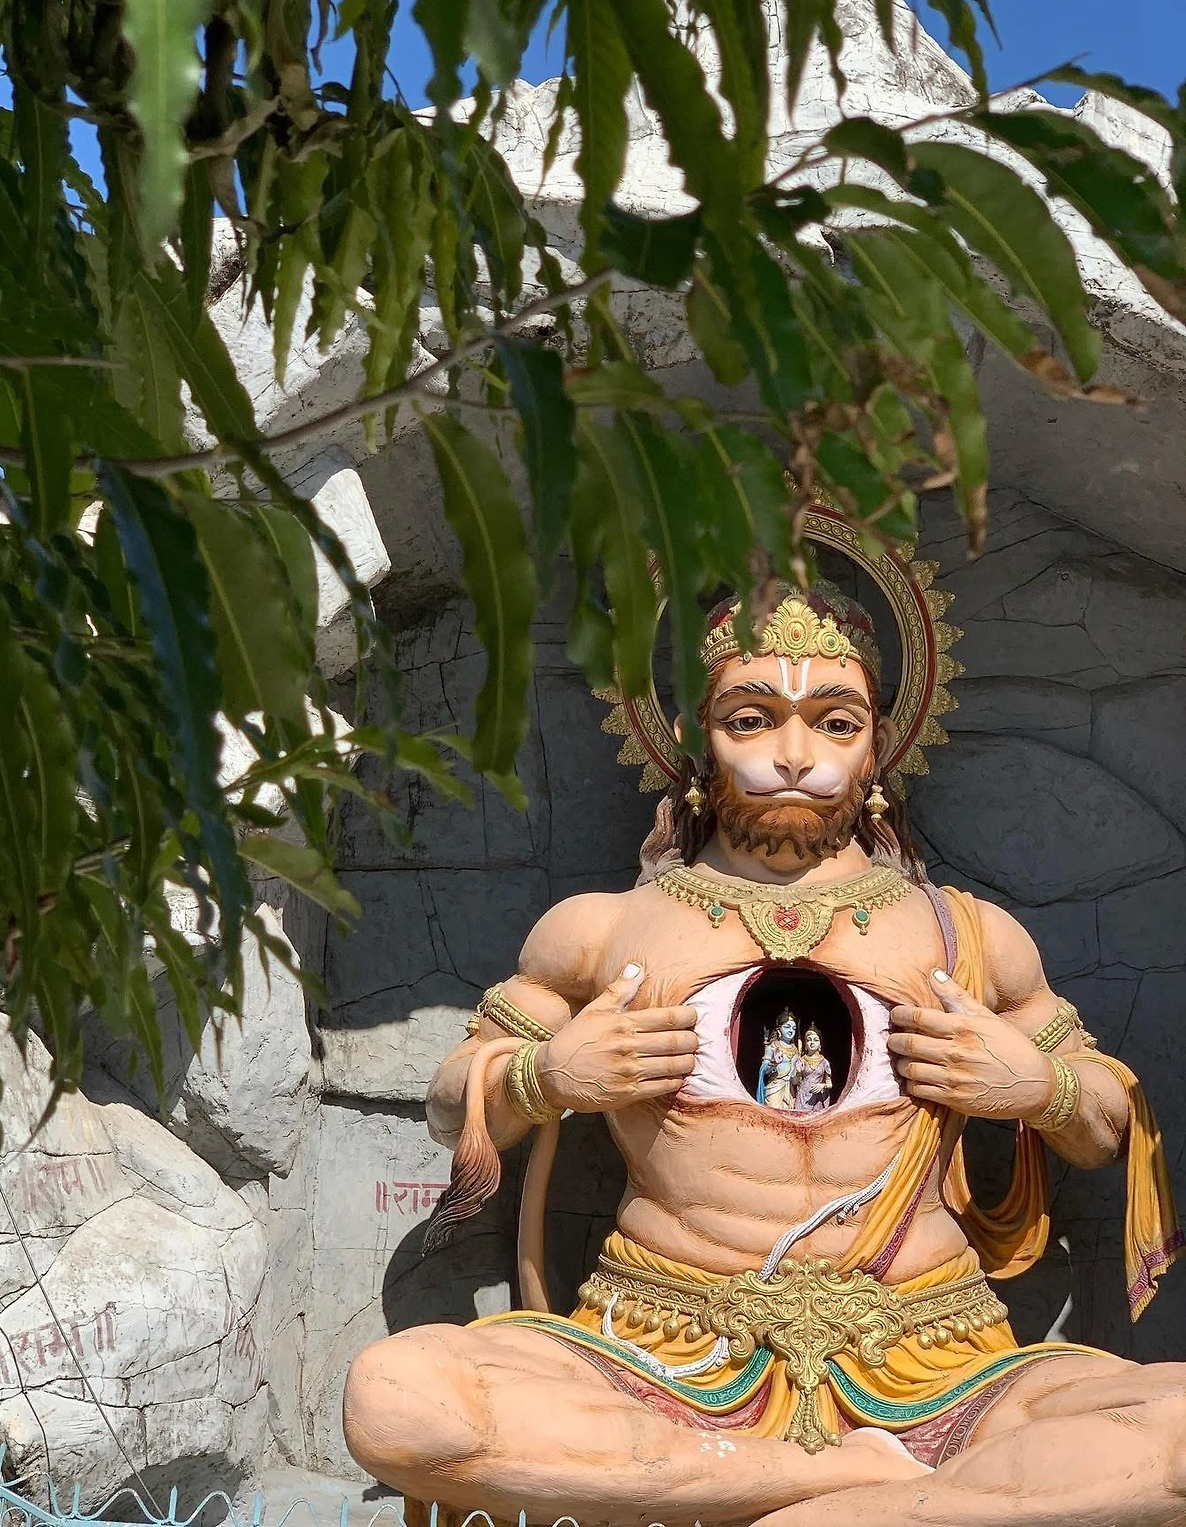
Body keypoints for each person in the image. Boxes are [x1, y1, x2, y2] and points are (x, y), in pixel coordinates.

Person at [342, 577, 1185, 1527]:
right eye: (752, 719)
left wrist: (1036, 1088)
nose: (794, 755)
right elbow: (452, 1104)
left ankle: (767, 1500)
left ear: (880, 744)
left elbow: (1104, 1127)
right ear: (696, 738)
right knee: (397, 1400)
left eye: (835, 723)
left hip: (940, 1357)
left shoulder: (971, 937)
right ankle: (865, 1494)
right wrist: (549, 1076)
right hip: (660, 1349)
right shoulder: (600, 930)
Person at [757, 1010, 800, 1109]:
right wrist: (774, 1064)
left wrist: (798, 1072)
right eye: (787, 1027)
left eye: (793, 1028)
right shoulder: (772, 1047)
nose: (791, 1031)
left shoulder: (796, 1051)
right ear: (779, 1029)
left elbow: (795, 1081)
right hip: (775, 1089)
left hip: (790, 1091)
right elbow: (763, 1071)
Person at [792, 1025, 833, 1113]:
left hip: (818, 1097)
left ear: (820, 1044)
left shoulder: (824, 1062)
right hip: (803, 1097)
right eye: (809, 1040)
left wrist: (822, 1085)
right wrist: (798, 1072)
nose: (812, 1042)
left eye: (815, 1040)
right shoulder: (801, 1060)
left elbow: (829, 1084)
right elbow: (794, 1082)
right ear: (805, 1045)